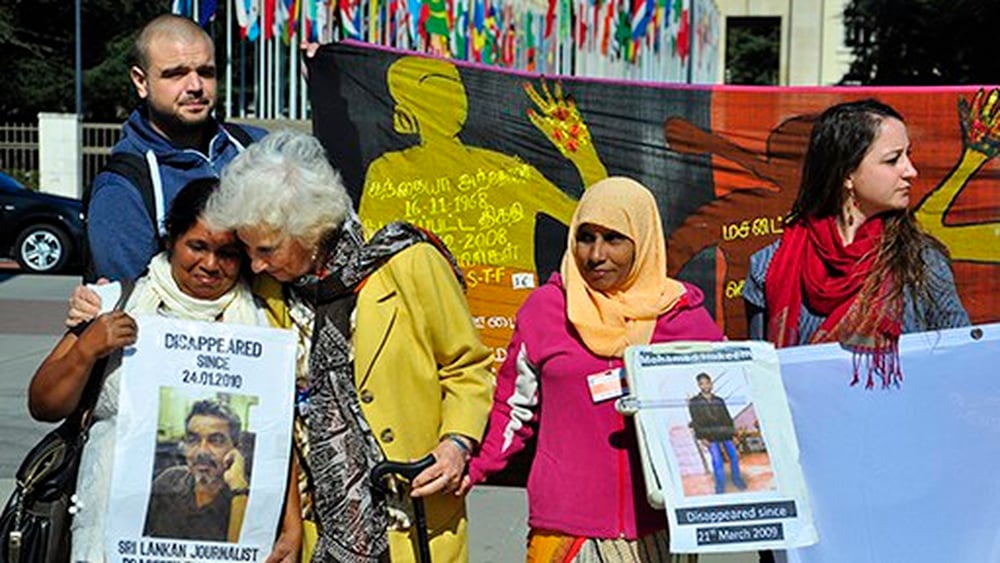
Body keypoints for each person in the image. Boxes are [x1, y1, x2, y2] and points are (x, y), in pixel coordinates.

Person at [202, 130, 494, 562]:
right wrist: (104, 300)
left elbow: (468, 367)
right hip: (319, 529)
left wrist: (456, 445)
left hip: (408, 518)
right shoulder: (271, 286)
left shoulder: (407, 261)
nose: (256, 263)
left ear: (310, 229)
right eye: (248, 250)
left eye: (267, 249)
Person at [29, 179, 300, 563]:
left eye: (226, 253)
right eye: (197, 246)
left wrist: (290, 527)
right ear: (171, 239)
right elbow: (43, 404)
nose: (210, 264)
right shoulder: (118, 302)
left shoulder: (262, 321)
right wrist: (88, 349)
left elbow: (275, 436)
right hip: (109, 534)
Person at [462, 177, 723, 561]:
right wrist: (474, 467)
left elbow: (726, 409)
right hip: (566, 532)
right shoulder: (546, 310)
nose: (596, 254)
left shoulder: (685, 318)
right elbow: (513, 409)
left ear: (643, 240)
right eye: (586, 237)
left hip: (660, 529)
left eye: (614, 239)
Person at [742, 99, 970, 388]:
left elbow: (962, 365)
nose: (910, 171)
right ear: (847, 174)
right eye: (893, 159)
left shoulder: (921, 264)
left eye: (908, 156)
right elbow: (761, 377)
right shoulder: (770, 265)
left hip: (898, 427)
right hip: (805, 428)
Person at [87, 14, 266, 282]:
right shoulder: (123, 188)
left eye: (206, 72)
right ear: (141, 81)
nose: (195, 86)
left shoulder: (257, 148)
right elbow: (133, 309)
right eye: (176, 74)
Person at [144, 399, 249, 541]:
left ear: (236, 448)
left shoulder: (243, 499)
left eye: (216, 440)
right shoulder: (168, 481)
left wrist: (239, 489)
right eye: (193, 439)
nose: (202, 451)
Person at [687, 372, 746, 494]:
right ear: (699, 385)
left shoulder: (719, 400)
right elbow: (696, 421)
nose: (705, 386)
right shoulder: (694, 402)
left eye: (707, 382)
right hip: (710, 436)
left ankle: (737, 479)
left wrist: (733, 434)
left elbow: (727, 418)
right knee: (717, 461)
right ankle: (720, 486)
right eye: (702, 384)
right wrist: (702, 437)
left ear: (711, 383)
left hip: (725, 433)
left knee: (734, 457)